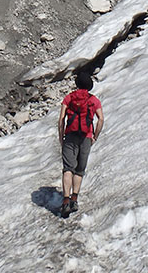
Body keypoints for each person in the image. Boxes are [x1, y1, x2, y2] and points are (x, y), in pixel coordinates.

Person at [58, 71, 103, 217]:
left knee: (68, 168)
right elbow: (101, 119)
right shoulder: (93, 100)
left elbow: (61, 119)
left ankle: (65, 201)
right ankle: (74, 199)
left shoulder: (69, 98)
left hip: (70, 136)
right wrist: (94, 136)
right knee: (79, 169)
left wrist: (61, 137)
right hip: (86, 137)